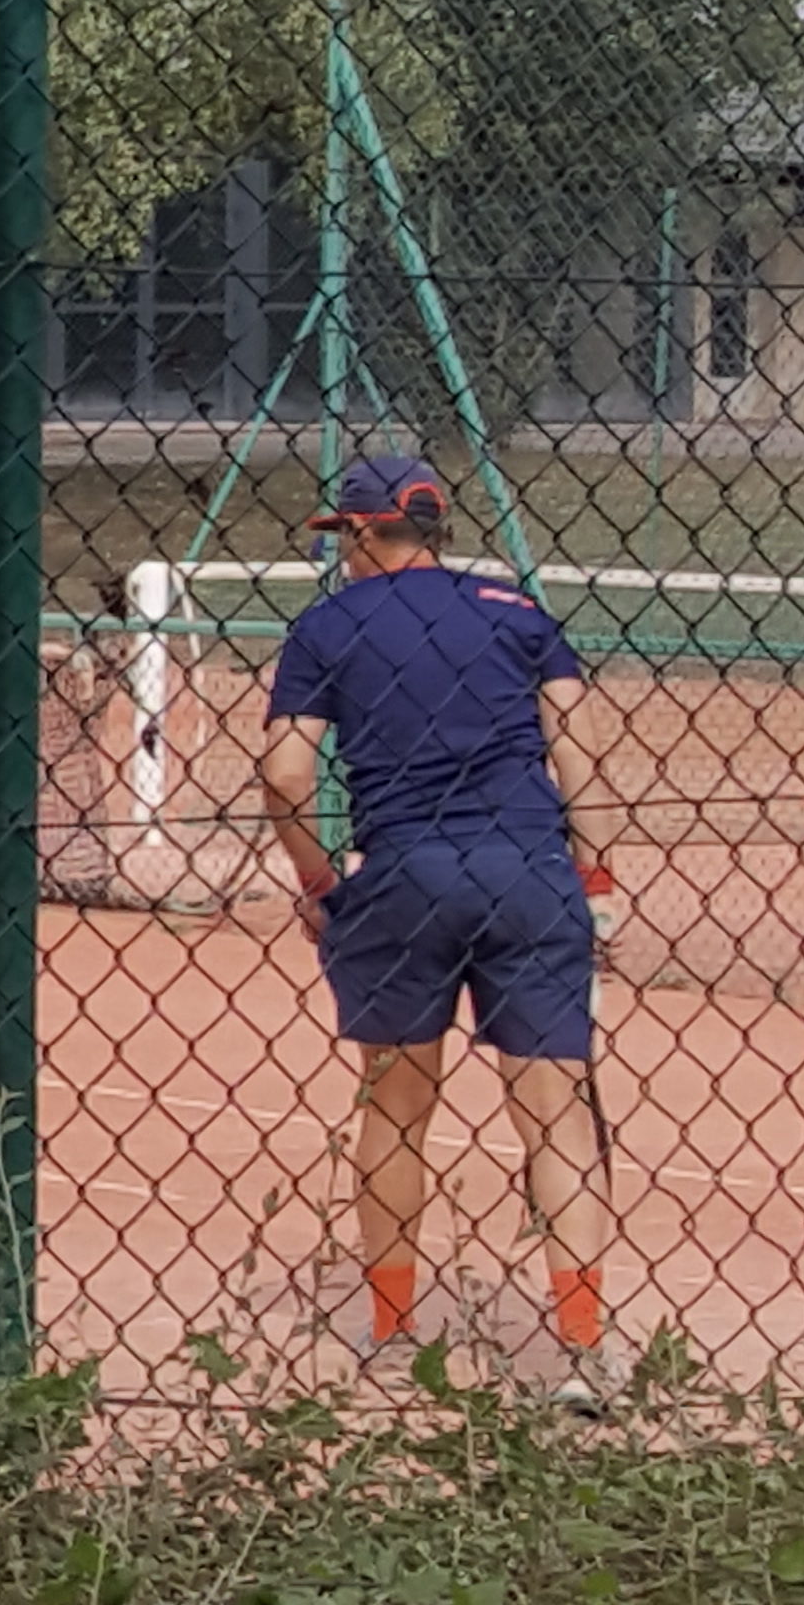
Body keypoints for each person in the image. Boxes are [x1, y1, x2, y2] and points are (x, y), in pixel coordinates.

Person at [251, 453, 623, 1396]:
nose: (340, 556)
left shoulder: (327, 626)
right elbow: (579, 753)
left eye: (342, 539)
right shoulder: (519, 613)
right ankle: (583, 1349)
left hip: (405, 875)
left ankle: (391, 1332)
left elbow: (285, 777)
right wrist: (595, 879)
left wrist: (319, 883)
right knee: (556, 1115)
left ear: (364, 532)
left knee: (396, 1106)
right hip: (529, 869)